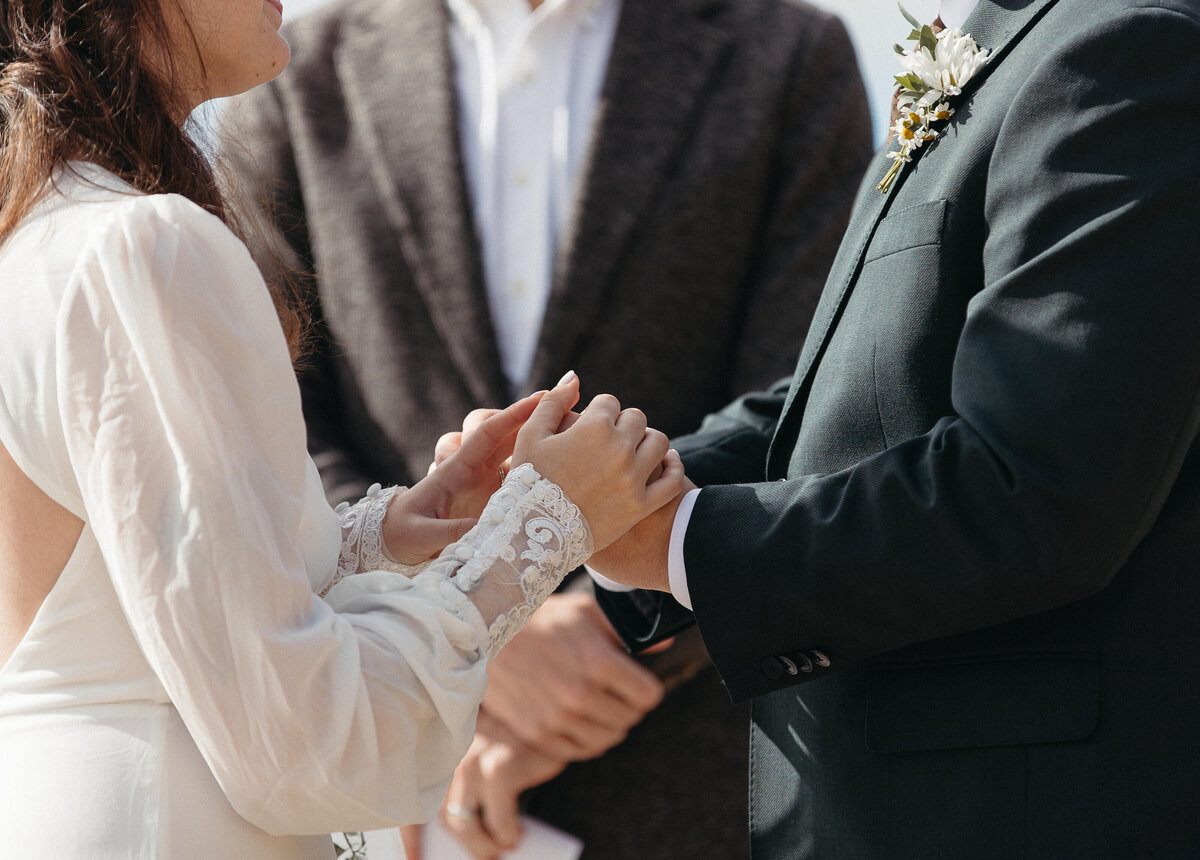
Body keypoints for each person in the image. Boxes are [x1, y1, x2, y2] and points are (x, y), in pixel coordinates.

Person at [0, 1, 685, 857]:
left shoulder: (43, 226)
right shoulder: (147, 245)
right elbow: (302, 743)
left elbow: (122, 586)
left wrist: (400, 530)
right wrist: (544, 523)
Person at [220, 0, 871, 854]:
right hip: (397, 787)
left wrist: (609, 617)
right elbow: (271, 421)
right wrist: (479, 635)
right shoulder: (295, 69)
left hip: (699, 772)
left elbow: (808, 405)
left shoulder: (790, 53)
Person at [588, 0, 1200, 856]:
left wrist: (681, 543)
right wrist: (599, 487)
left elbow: (1036, 485)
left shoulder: (1139, 45)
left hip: (1017, 818)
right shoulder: (998, 34)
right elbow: (852, 393)